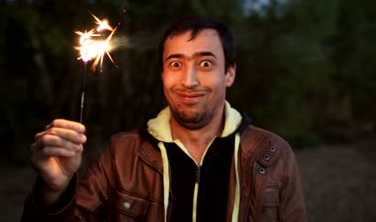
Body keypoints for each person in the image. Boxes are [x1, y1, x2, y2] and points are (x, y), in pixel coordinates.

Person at [21, 16, 307, 222]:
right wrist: (53, 192)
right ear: (162, 74)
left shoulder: (272, 154)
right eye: (176, 64)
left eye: (205, 64)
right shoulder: (122, 154)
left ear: (229, 73)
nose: (189, 80)